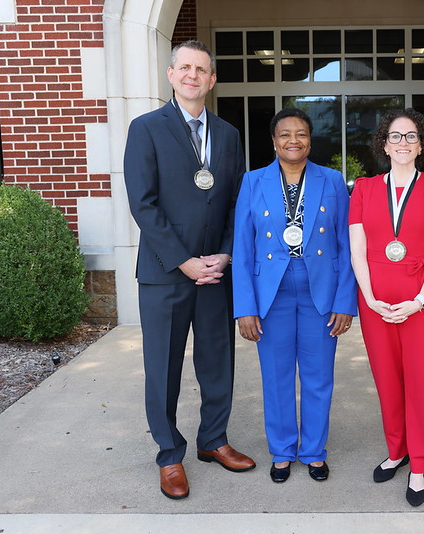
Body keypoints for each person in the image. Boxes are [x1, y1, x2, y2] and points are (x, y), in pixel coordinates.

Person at [123, 40, 255, 500]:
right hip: (166, 272)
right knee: (163, 367)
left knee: (218, 362)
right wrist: (183, 260)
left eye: (201, 69)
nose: (193, 75)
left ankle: (213, 440)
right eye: (185, 68)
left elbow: (237, 201)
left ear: (212, 79)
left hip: (216, 272)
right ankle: (168, 454)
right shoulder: (146, 129)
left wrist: (226, 253)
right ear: (171, 74)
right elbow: (143, 203)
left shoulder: (228, 133)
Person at [232, 108, 357, 484]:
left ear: (310, 140)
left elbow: (346, 245)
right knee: (276, 376)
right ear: (273, 140)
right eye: (285, 134)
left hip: (320, 287)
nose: (293, 141)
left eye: (301, 134)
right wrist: (245, 307)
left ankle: (315, 451)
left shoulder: (332, 180)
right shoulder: (252, 182)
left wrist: (344, 301)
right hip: (271, 292)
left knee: (319, 377)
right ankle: (283, 450)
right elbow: (242, 249)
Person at [349, 108, 424, 507]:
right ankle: (397, 450)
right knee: (388, 380)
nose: (403, 143)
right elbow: (357, 250)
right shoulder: (363, 189)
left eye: (411, 136)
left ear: (422, 144)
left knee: (423, 382)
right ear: (383, 143)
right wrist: (370, 297)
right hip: (376, 300)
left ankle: (420, 464)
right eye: (395, 136)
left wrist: (418, 301)